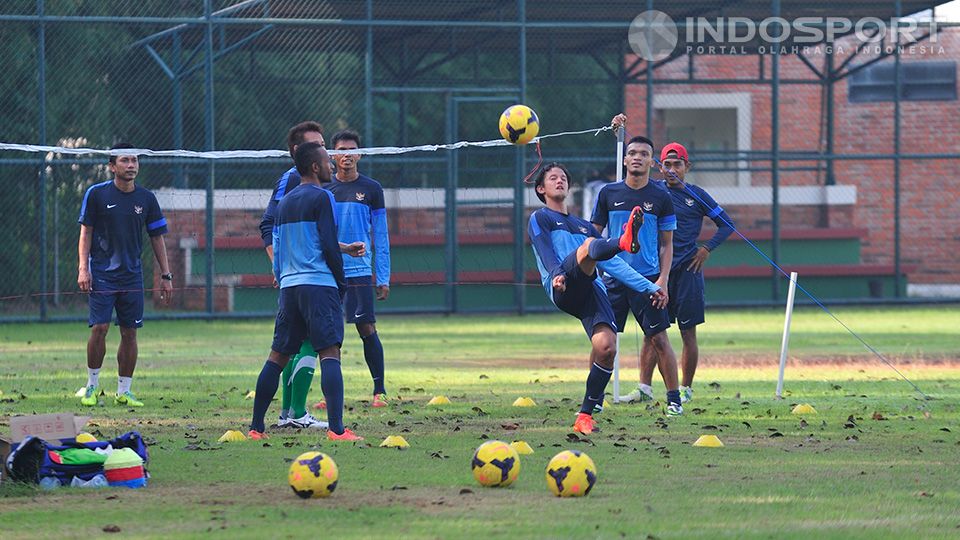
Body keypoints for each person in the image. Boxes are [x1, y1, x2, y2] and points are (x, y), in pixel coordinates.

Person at [528, 162, 666, 434]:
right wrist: (557, 273)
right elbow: (545, 250)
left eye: (564, 178)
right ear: (541, 189)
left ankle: (585, 417)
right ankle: (622, 241)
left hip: (592, 288)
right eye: (553, 178)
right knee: (590, 247)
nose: (560, 181)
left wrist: (649, 287)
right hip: (563, 285)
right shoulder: (540, 217)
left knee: (607, 347)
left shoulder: (584, 226)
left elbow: (615, 266)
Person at [248, 141, 362, 442]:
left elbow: (280, 245)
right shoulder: (323, 197)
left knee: (277, 356)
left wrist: (281, 277)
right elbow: (326, 242)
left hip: (290, 287)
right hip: (319, 285)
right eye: (328, 160)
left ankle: (256, 428)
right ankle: (338, 430)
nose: (332, 165)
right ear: (315, 166)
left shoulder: (284, 203)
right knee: (330, 352)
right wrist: (341, 281)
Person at [590, 117, 684, 416]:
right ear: (625, 159)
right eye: (632, 153)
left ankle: (674, 400)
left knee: (658, 338)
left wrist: (664, 280)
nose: (637, 158)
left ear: (651, 161)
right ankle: (593, 400)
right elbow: (593, 237)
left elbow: (667, 244)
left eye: (644, 154)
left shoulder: (661, 196)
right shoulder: (608, 193)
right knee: (604, 339)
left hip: (647, 279)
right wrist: (592, 272)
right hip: (612, 277)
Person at [77, 142, 173, 407]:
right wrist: (83, 268)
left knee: (130, 333)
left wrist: (166, 275)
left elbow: (157, 237)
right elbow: (86, 233)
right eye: (125, 161)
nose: (131, 165)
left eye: (135, 161)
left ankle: (124, 390)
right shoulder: (96, 194)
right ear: (112, 166)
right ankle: (92, 386)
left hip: (132, 277)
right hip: (102, 275)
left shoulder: (146, 198)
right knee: (100, 328)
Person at [314, 129, 391, 410]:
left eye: (351, 150)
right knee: (329, 334)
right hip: (329, 271)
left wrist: (383, 277)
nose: (346, 155)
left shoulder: (372, 189)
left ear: (359, 154)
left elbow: (380, 236)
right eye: (340, 151)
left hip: (359, 271)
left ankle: (379, 391)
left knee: (366, 328)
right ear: (332, 156)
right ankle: (329, 394)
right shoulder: (324, 190)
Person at [654, 142, 735, 403]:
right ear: (660, 167)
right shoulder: (653, 191)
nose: (672, 169)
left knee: (688, 332)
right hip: (658, 272)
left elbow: (726, 225)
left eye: (677, 164)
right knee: (653, 333)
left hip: (688, 270)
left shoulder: (697, 195)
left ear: (687, 166)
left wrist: (707, 249)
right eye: (667, 164)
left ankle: (686, 389)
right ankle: (647, 387)